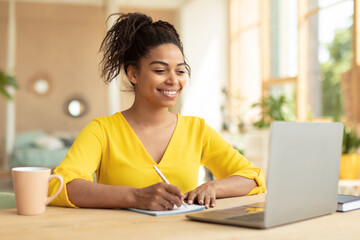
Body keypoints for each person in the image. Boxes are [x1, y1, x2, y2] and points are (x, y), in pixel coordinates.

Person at [49, 12, 265, 210]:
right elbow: (62, 185)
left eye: (180, 71)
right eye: (160, 70)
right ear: (133, 74)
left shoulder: (196, 129)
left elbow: (252, 178)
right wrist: (135, 197)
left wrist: (213, 188)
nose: (173, 80)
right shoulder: (102, 130)